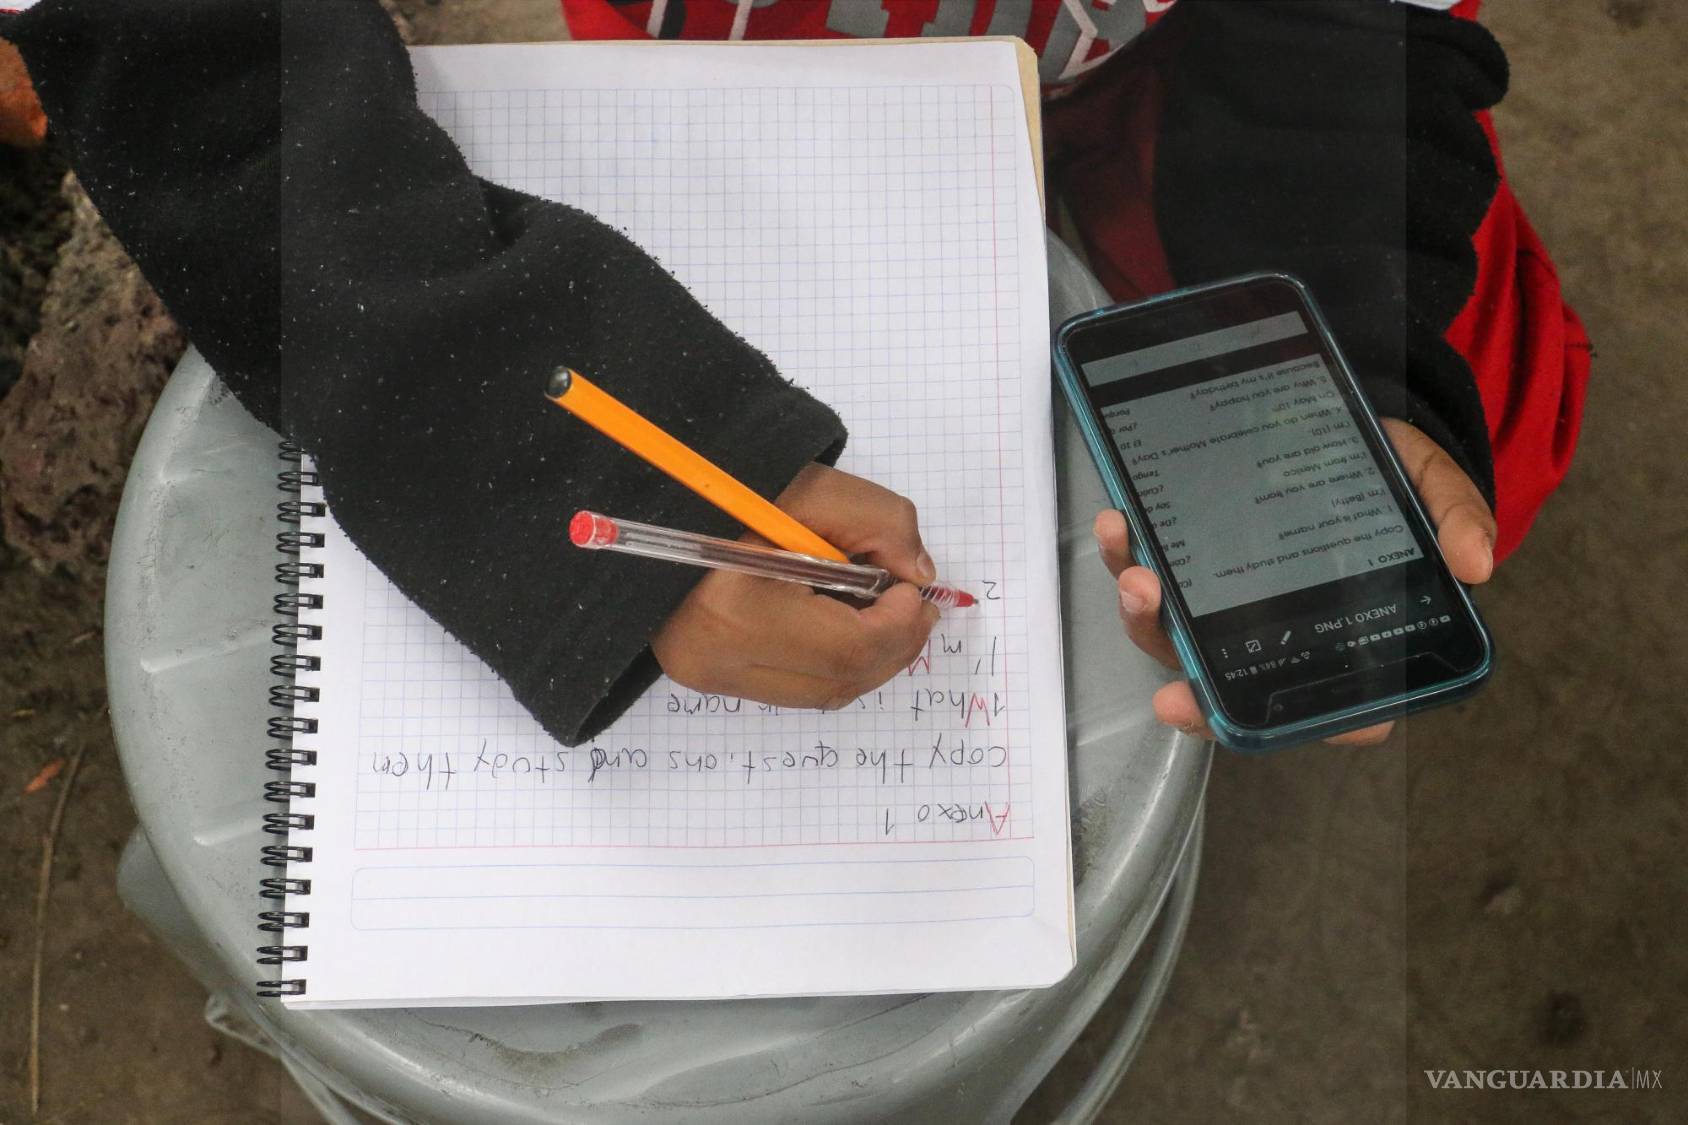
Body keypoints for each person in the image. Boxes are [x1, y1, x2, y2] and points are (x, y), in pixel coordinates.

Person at [2, 0, 1588, 749]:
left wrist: (1350, 321)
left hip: (1165, 64)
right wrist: (537, 444)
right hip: (718, 75)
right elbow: (195, 65)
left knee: (1455, 425)